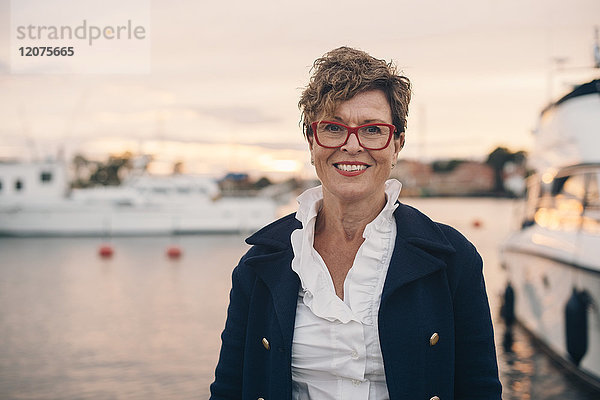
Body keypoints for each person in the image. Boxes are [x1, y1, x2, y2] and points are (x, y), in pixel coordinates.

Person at [210, 47, 502, 400]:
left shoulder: (453, 259)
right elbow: (229, 388)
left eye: (372, 130)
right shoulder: (260, 263)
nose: (351, 145)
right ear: (311, 141)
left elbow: (480, 388)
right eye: (333, 128)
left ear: (396, 145)